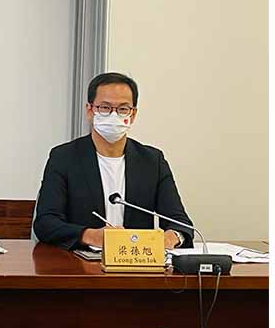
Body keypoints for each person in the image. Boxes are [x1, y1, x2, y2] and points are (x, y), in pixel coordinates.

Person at [33, 72, 194, 250]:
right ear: (89, 110)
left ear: (133, 114)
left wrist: (171, 237)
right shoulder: (64, 157)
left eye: (123, 109)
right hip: (80, 261)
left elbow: (180, 222)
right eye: (105, 108)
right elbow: (45, 223)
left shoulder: (152, 161)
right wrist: (90, 236)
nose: (114, 115)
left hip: (136, 260)